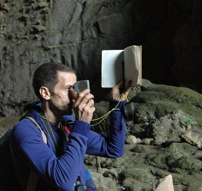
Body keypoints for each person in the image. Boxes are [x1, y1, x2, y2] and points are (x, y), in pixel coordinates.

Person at [10, 62, 130, 191]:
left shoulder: (66, 124)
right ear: (45, 93)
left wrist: (117, 105)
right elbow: (64, 181)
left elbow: (113, 149)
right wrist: (82, 124)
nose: (75, 95)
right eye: (68, 89)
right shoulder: (26, 131)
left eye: (75, 88)